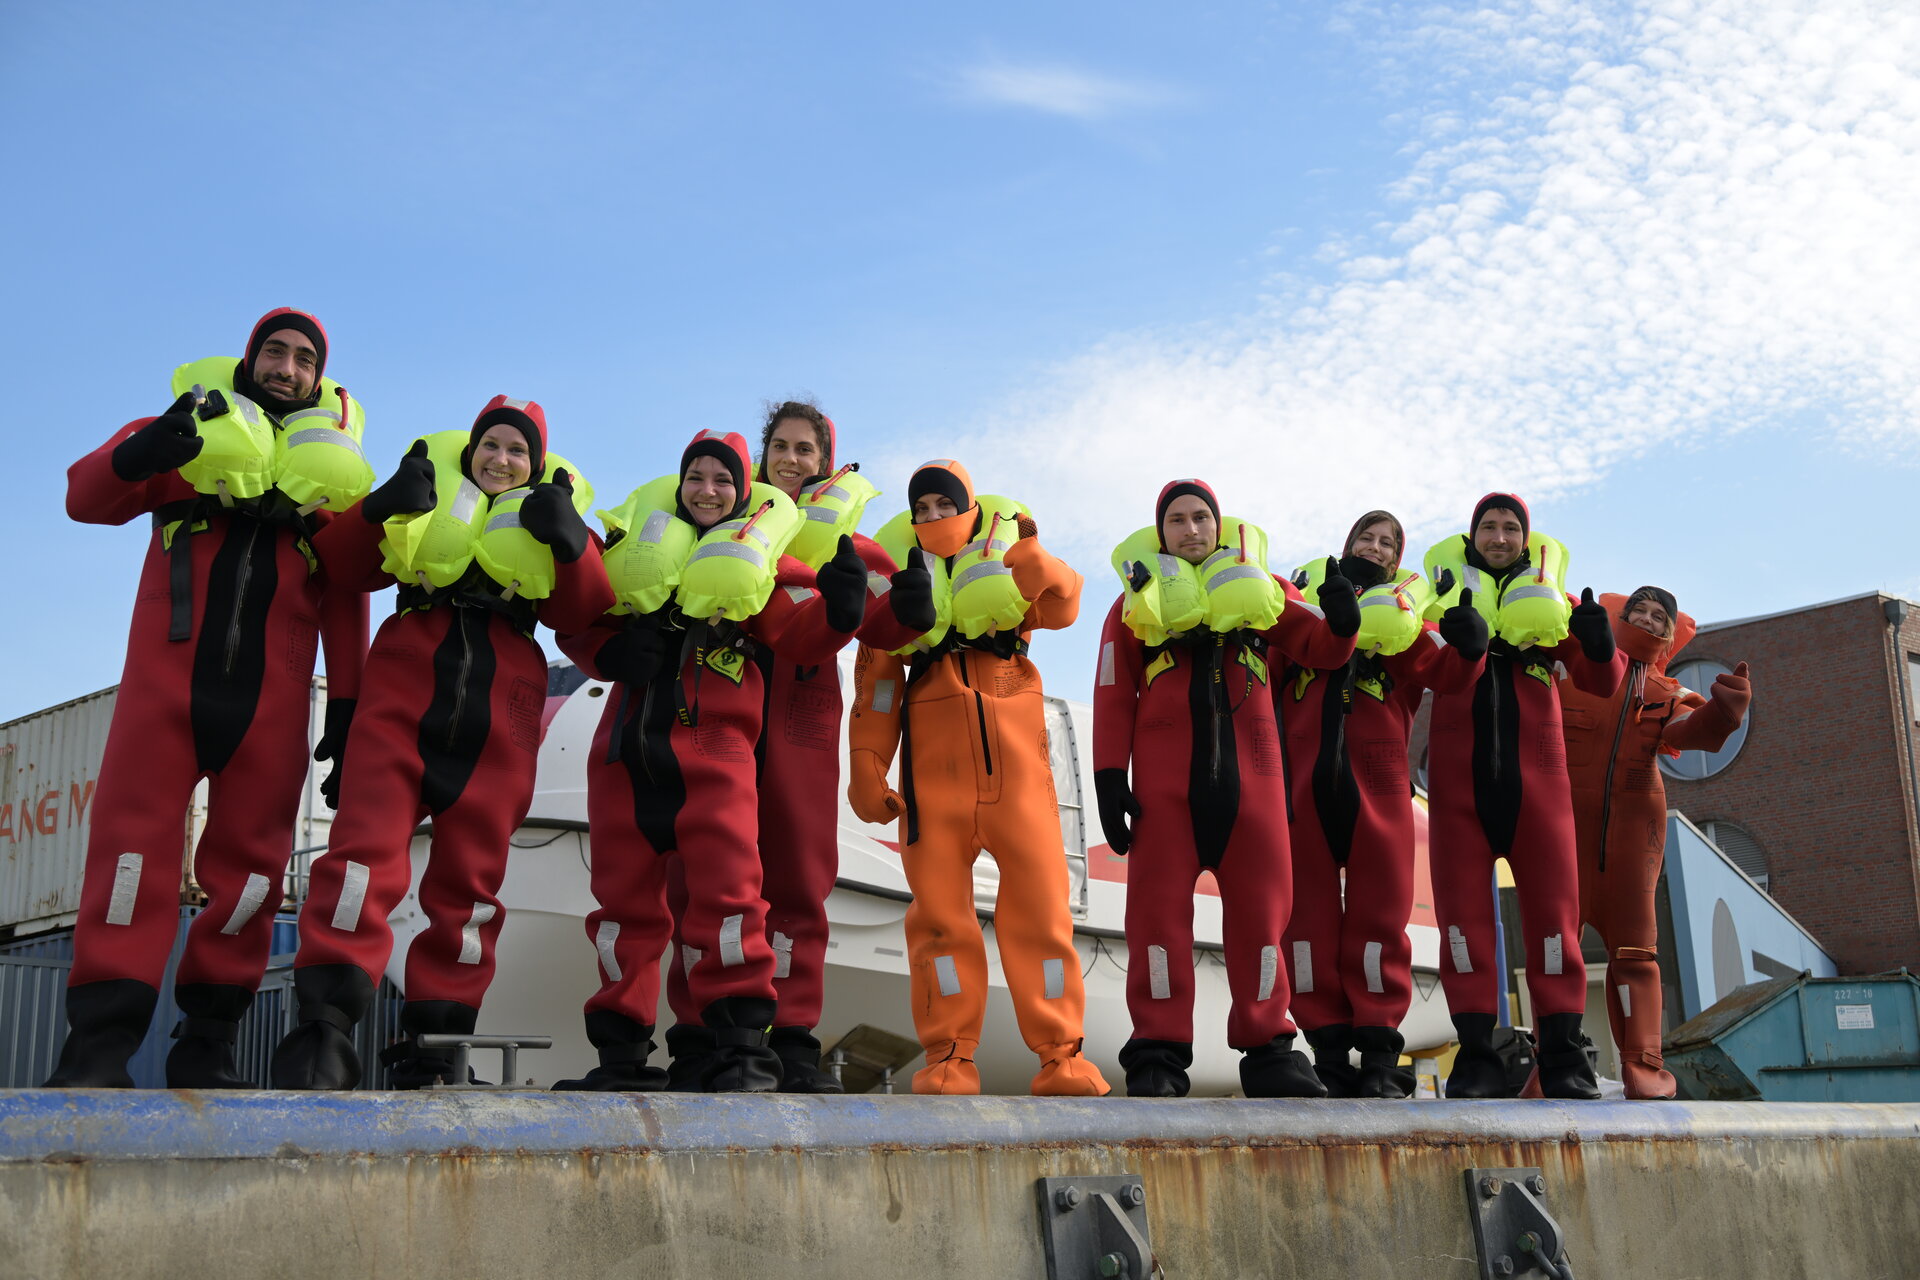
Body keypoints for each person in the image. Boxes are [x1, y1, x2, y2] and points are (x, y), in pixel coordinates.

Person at [50, 309, 370, 1088]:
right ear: (250, 359)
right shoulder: (187, 432)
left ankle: (207, 1047)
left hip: (272, 708)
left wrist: (348, 708)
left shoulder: (327, 477)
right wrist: (144, 451)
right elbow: (84, 496)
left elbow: (348, 598)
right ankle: (98, 1050)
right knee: (130, 860)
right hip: (163, 696)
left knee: (255, 876)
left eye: (303, 359)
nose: (287, 368)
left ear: (318, 377)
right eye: (275, 352)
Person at [271, 396, 609, 1089]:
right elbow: (340, 567)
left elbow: (586, 614)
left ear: (536, 464)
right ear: (470, 450)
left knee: (471, 889)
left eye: (517, 451)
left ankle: (440, 1051)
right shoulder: (420, 497)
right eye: (491, 445)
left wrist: (572, 544)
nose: (501, 460)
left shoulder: (557, 516)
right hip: (404, 685)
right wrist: (380, 508)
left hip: (504, 706)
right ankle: (323, 1032)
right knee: (359, 862)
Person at [552, 429, 870, 1092]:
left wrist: (842, 610)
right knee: (621, 915)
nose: (707, 490)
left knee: (729, 903)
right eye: (695, 477)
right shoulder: (632, 551)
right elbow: (579, 619)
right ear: (679, 485)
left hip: (715, 758)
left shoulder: (760, 564)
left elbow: (800, 632)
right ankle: (622, 1058)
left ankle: (742, 1048)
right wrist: (608, 652)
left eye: (723, 480)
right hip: (625, 757)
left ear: (742, 491)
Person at [658, 402, 933, 1092]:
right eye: (779, 446)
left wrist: (911, 607)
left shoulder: (849, 545)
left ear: (826, 461)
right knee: (699, 876)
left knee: (799, 879)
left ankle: (792, 1037)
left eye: (805, 449)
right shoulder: (729, 524)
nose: (790, 459)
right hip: (719, 702)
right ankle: (699, 1034)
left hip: (799, 713)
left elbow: (886, 621)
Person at [847, 460, 1110, 1096]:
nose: (933, 517)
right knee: (938, 923)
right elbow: (878, 691)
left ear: (970, 508)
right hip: (931, 783)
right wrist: (866, 766)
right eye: (922, 509)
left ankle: (1062, 1057)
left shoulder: (1009, 558)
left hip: (1019, 778)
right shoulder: (895, 585)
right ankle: (949, 1057)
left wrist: (1038, 560)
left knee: (1042, 913)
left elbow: (1065, 603)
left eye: (945, 504)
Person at [1092, 480, 1360, 1098]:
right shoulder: (1133, 602)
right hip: (1164, 793)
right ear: (1161, 532)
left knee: (1264, 919)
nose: (1190, 530)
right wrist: (1108, 775)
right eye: (1177, 520)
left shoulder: (1262, 587)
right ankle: (1158, 1051)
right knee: (1156, 921)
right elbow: (1113, 686)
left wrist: (1344, 621)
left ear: (1219, 525)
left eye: (1200, 518)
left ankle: (1269, 1050)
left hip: (1256, 787)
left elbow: (1319, 646)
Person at [1419, 493, 1624, 1099]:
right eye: (1489, 527)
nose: (1500, 537)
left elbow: (1602, 682)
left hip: (1540, 789)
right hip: (1459, 792)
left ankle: (1562, 1058)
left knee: (1555, 923)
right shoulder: (1437, 602)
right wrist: (1458, 643)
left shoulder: (1551, 601)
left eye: (1511, 528)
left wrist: (1599, 643)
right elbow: (1419, 668)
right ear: (1472, 537)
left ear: (1526, 539)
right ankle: (1478, 1059)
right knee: (1463, 927)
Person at [1277, 511, 1488, 1097]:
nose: (1376, 547)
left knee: (1380, 919)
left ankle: (1378, 1055)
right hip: (1302, 787)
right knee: (1305, 924)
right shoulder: (1303, 607)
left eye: (1388, 543)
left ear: (1398, 559)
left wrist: (1471, 648)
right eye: (1366, 538)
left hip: (1380, 785)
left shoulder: (1407, 619)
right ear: (1347, 545)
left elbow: (1446, 672)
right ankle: (1326, 1054)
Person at [1560, 587, 1750, 1099]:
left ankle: (1643, 1065)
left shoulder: (1668, 691)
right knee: (1555, 949)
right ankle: (1552, 1060)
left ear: (1669, 633)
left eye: (1658, 615)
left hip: (1634, 835)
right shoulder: (1570, 666)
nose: (1646, 619)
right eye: (1637, 611)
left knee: (1636, 952)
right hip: (1562, 831)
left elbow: (1692, 732)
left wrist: (1724, 712)